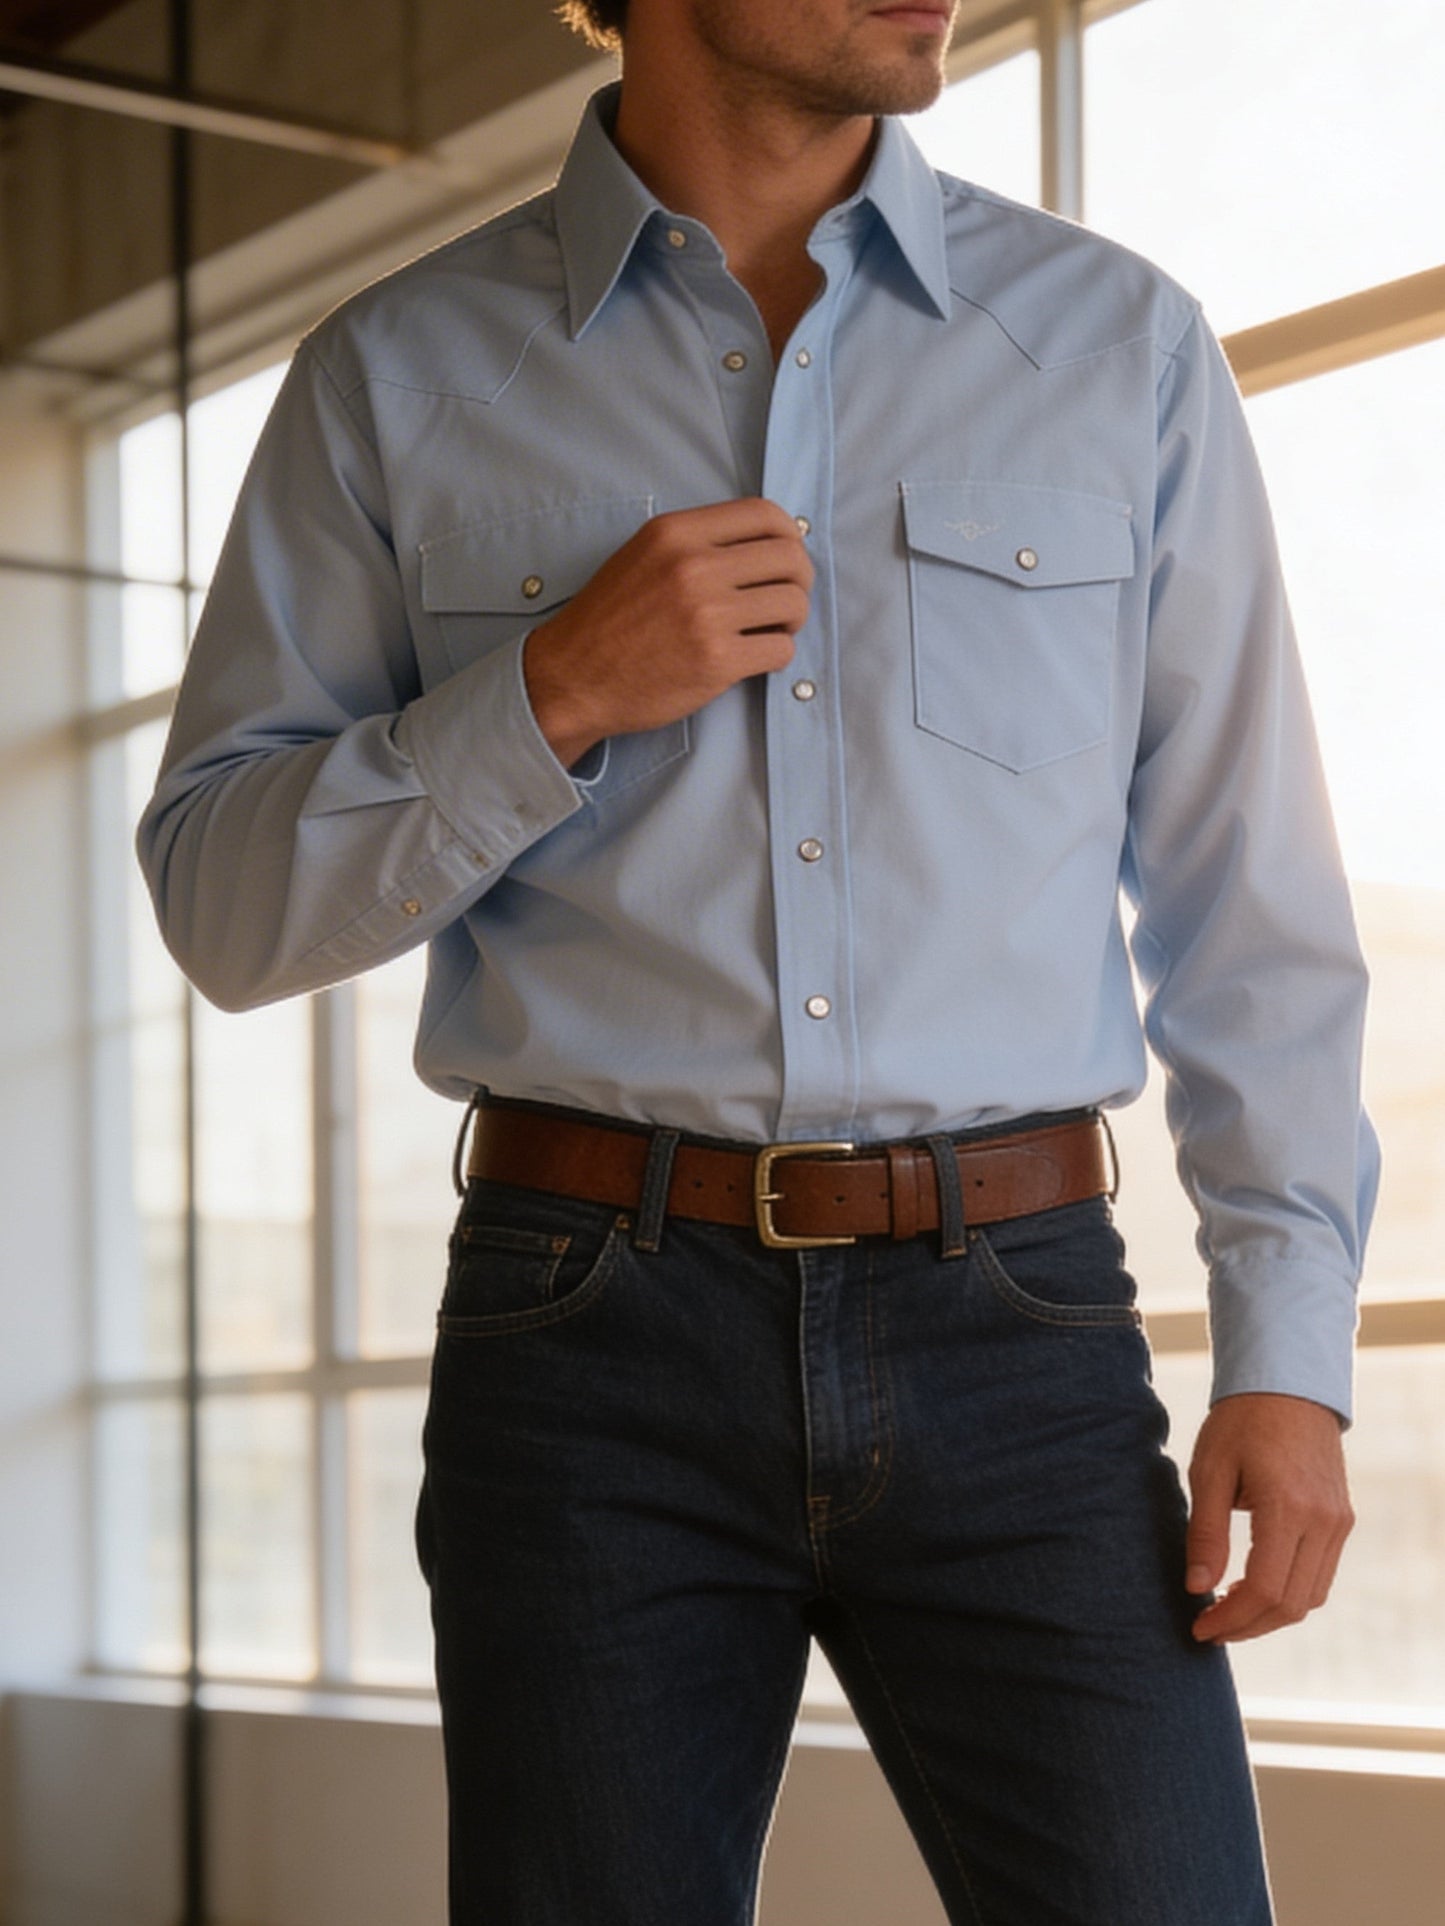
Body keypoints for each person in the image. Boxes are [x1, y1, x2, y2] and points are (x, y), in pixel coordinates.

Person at [138, 1, 1380, 1920]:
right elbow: (223, 904)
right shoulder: (398, 373)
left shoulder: (1115, 347)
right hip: (585, 1342)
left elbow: (1252, 908)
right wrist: (549, 692)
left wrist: (1288, 1362)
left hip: (1019, 1325)